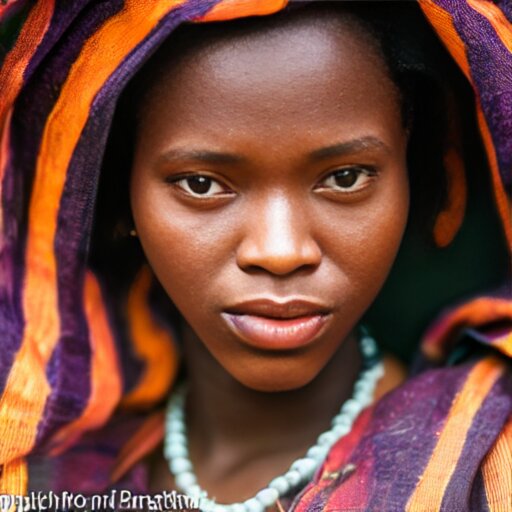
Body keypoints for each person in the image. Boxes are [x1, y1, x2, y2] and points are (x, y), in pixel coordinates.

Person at [0, 1, 510, 510]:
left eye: (345, 177)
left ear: (412, 176)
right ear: (119, 195)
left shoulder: (489, 460)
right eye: (201, 185)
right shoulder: (37, 480)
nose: (281, 252)